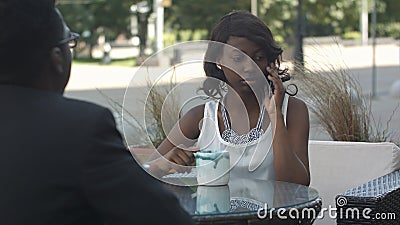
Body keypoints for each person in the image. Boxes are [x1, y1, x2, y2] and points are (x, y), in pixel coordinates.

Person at [0, 1, 194, 225]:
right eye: (70, 42)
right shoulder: (79, 128)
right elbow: (166, 218)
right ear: (57, 59)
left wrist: (151, 169)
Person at [151, 11, 310, 186]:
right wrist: (163, 165)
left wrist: (275, 115)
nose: (249, 67)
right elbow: (143, 172)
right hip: (216, 213)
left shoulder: (292, 111)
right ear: (219, 59)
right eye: (237, 58)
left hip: (271, 213)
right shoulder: (201, 116)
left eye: (259, 57)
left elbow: (297, 185)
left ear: (270, 61)